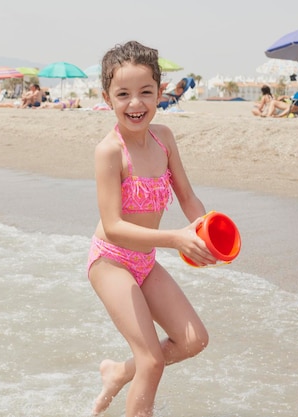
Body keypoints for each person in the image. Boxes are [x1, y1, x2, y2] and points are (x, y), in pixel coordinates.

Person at [87, 40, 217, 417]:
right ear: (106, 97)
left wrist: (205, 230)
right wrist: (176, 238)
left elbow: (188, 197)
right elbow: (113, 227)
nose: (136, 103)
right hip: (110, 262)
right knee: (152, 362)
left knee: (194, 340)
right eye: (123, 94)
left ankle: (117, 373)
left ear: (160, 92)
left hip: (144, 262)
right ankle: (132, 373)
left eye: (146, 92)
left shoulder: (165, 138)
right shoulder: (109, 152)